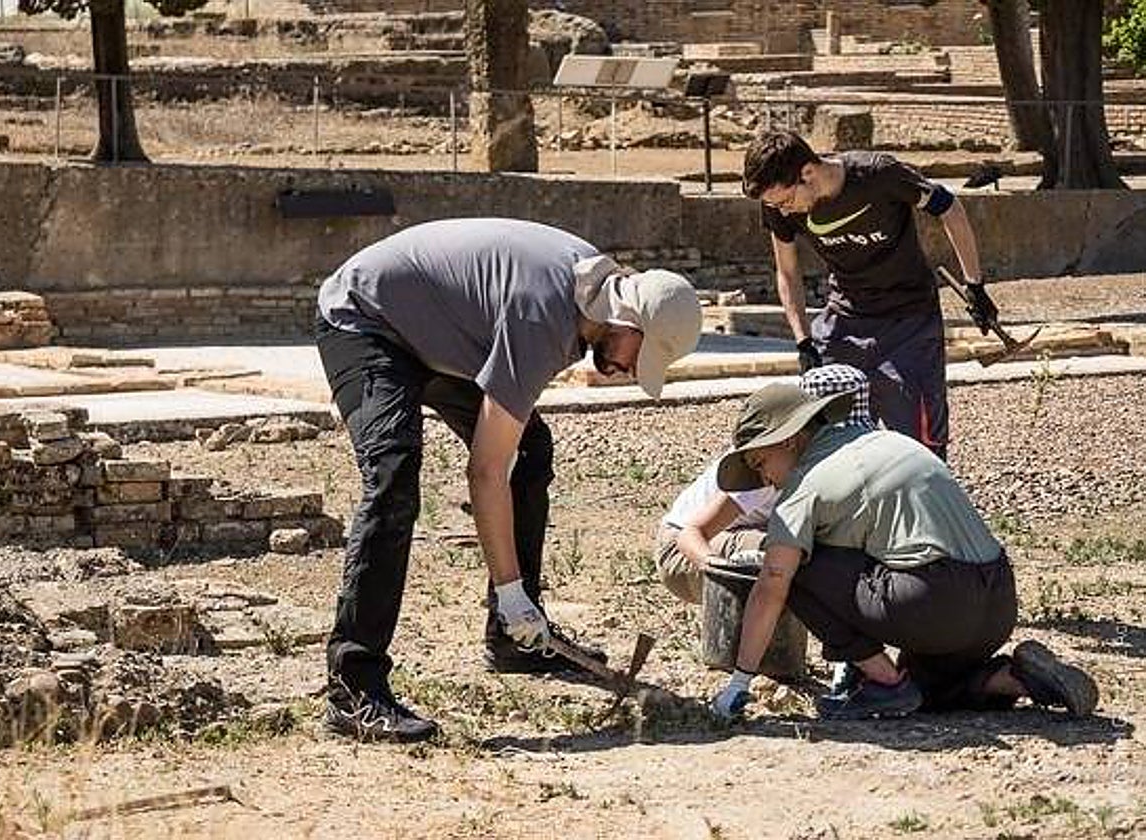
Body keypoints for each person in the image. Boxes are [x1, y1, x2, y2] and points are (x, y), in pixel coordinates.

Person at [316, 217, 703, 742]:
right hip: (364, 319)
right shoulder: (542, 316)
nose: (633, 371)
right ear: (627, 321)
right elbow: (486, 471)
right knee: (393, 475)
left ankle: (513, 637)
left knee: (530, 450)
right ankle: (354, 689)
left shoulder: (588, 293)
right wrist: (508, 588)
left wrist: (514, 598)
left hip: (430, 335)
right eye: (641, 357)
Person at [708, 383, 1099, 721]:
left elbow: (773, 583)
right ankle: (1018, 679)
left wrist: (740, 681)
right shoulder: (885, 441)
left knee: (792, 568)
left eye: (760, 463)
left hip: (935, 604)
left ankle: (884, 682)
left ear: (788, 439)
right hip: (997, 602)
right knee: (924, 691)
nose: (764, 479)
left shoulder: (804, 486)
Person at [741, 130, 999, 460]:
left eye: (786, 201)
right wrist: (804, 341)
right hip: (844, 319)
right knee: (819, 437)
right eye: (775, 206)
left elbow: (949, 207)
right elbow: (787, 272)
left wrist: (974, 285)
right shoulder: (778, 207)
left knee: (920, 444)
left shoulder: (878, 174)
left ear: (807, 172)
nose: (785, 212)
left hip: (910, 320)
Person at [655, 363, 873, 605]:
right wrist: (720, 572)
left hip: (745, 533)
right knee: (787, 556)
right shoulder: (765, 464)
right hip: (682, 551)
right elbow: (692, 533)